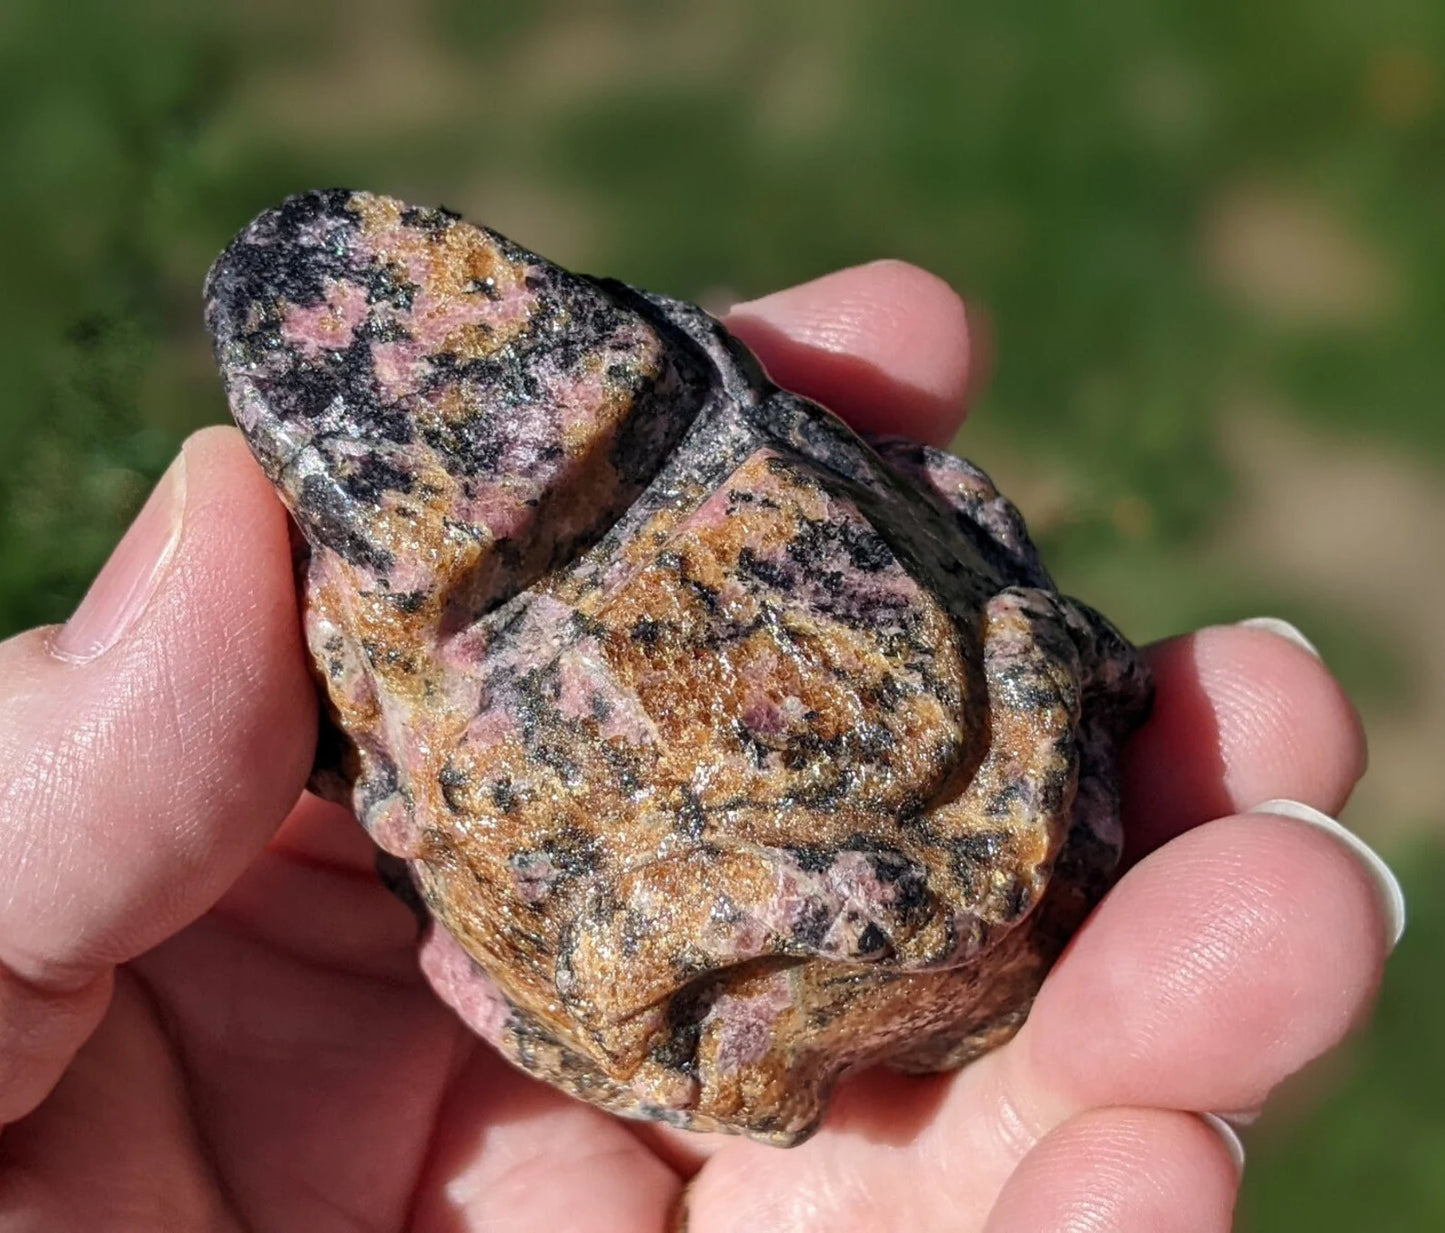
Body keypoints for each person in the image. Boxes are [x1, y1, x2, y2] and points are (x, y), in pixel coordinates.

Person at [0, 260, 1399, 1233]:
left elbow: (951, 527)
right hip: (685, 974)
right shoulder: (403, 685)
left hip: (957, 809)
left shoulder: (738, 441)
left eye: (639, 436)